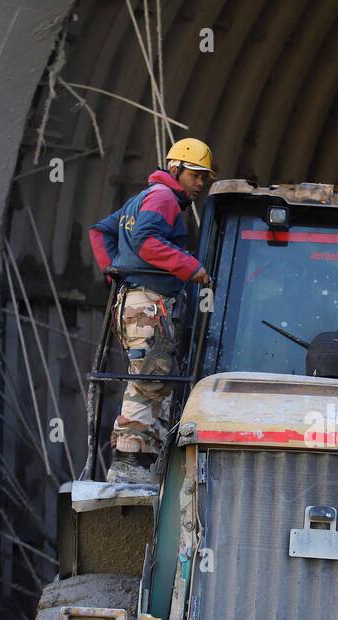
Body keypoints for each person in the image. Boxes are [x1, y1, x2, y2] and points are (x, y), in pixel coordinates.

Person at [88, 138, 214, 486]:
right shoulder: (163, 199)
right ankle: (129, 462)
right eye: (195, 175)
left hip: (134, 300)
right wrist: (190, 267)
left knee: (154, 376)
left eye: (205, 178)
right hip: (148, 303)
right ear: (175, 170)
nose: (200, 184)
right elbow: (146, 242)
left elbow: (100, 231)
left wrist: (112, 267)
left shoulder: (141, 198)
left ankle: (146, 460)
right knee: (148, 378)